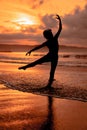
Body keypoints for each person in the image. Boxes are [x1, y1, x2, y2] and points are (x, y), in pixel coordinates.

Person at [18, 14, 62, 88]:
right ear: (49, 35)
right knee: (51, 71)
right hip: (53, 56)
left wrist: (31, 51)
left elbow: (38, 47)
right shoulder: (54, 39)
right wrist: (60, 21)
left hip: (51, 56)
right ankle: (49, 85)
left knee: (38, 63)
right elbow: (60, 29)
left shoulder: (49, 41)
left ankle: (26, 67)